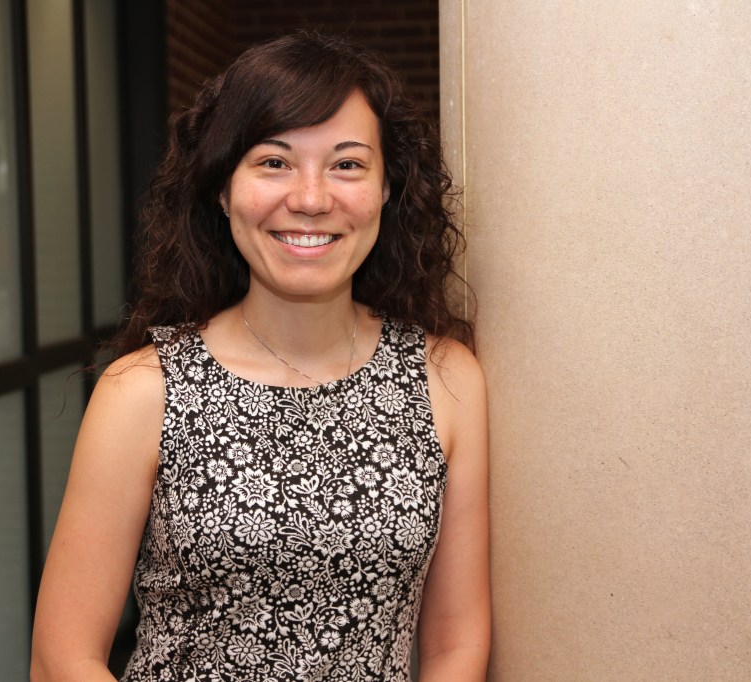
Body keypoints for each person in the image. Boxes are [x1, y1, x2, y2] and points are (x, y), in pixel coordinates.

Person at [31, 31, 490, 681]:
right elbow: (62, 657)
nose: (309, 198)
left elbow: (457, 644)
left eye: (347, 164)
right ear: (222, 190)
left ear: (387, 190)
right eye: (274, 162)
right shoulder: (143, 390)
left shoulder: (446, 382)